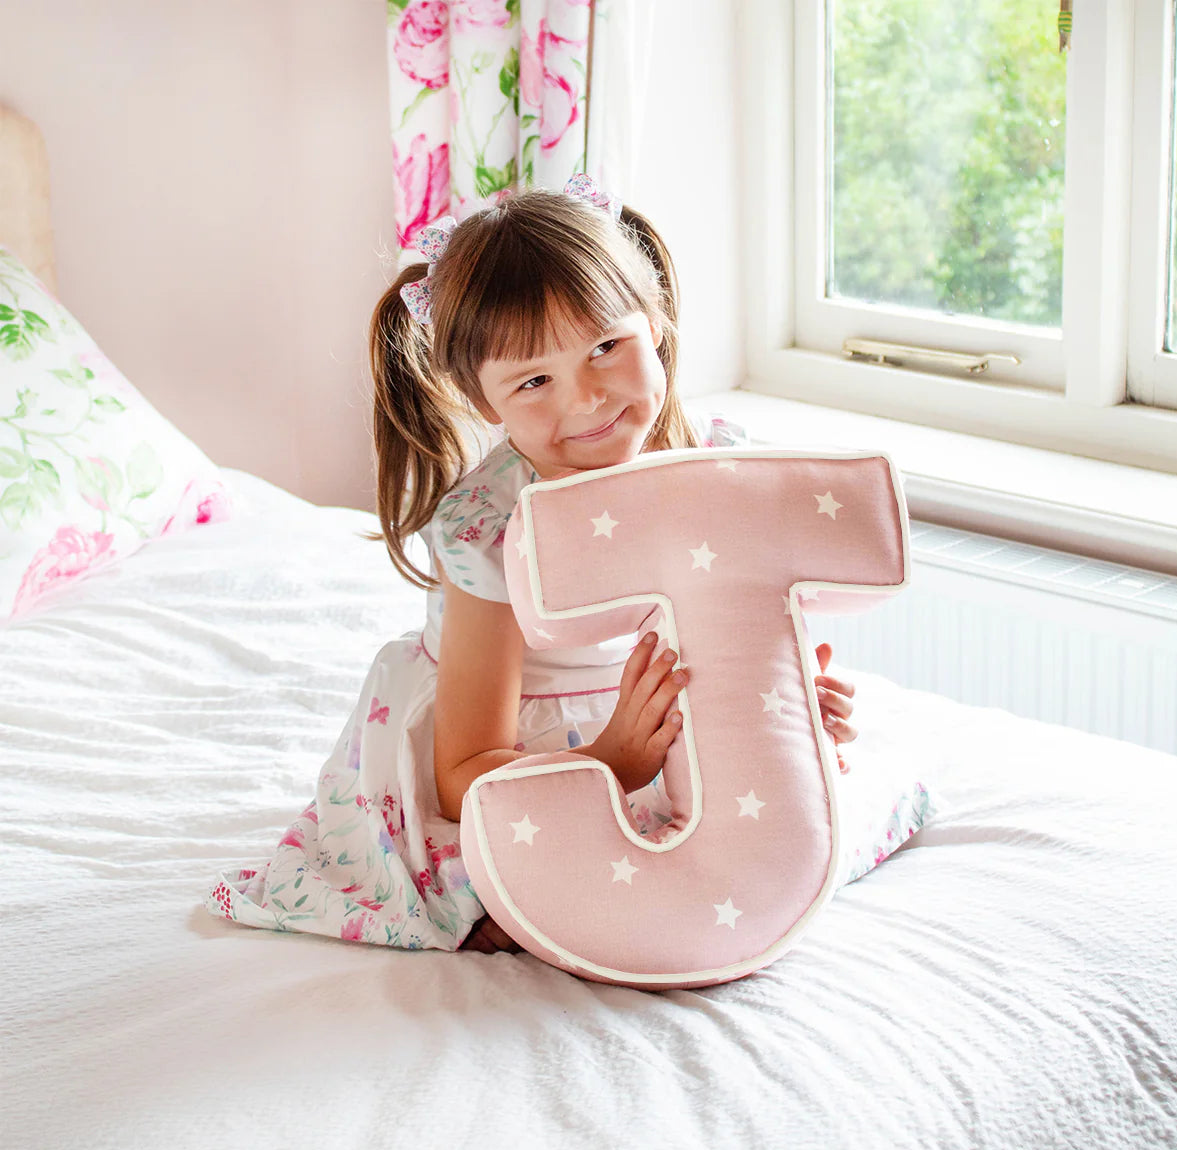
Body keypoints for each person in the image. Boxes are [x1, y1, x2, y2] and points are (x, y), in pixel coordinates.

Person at [207, 175, 862, 955]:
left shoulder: (718, 468)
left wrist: (790, 698)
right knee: (517, 890)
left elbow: (745, 632)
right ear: (486, 403)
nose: (586, 398)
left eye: (605, 348)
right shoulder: (485, 531)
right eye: (534, 381)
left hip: (670, 717)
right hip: (527, 749)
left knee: (814, 818)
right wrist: (610, 761)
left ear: (653, 322)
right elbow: (463, 771)